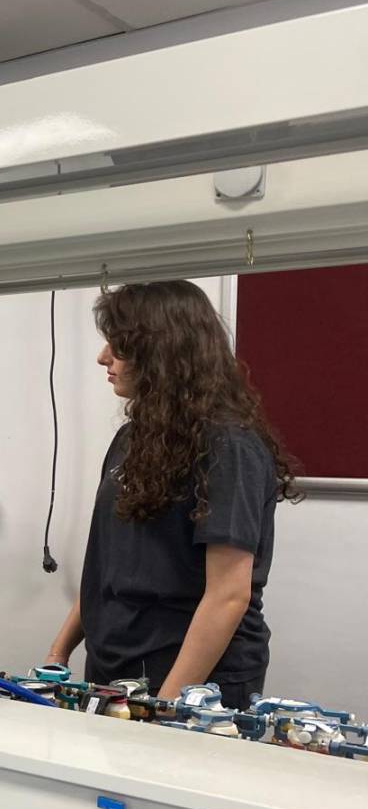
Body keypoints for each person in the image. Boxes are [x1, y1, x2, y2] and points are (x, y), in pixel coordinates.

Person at [46, 281, 299, 709]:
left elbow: (229, 595)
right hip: (114, 668)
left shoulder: (228, 446)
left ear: (162, 353)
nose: (103, 357)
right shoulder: (132, 438)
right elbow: (105, 567)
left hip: (191, 679)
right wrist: (59, 651)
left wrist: (165, 708)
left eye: (119, 346)